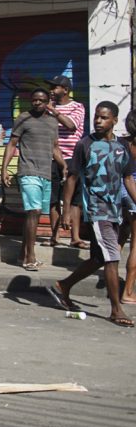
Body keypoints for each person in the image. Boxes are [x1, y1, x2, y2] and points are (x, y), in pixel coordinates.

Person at [49, 102, 136, 328]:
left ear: (114, 120)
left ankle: (64, 286)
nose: (98, 121)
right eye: (96, 117)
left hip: (115, 210)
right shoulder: (85, 144)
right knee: (112, 257)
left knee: (99, 258)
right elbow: (72, 178)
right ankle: (116, 310)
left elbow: (127, 179)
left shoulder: (122, 147)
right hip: (96, 210)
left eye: (104, 118)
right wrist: (67, 210)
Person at [0, 88, 66, 271]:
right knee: (34, 211)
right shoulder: (23, 118)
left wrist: (64, 165)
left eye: (41, 100)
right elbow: (12, 143)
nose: (37, 103)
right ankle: (30, 257)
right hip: (27, 171)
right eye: (34, 100)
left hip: (46, 173)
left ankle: (22, 253)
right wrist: (4, 168)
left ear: (48, 102)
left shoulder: (52, 122)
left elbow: (54, 147)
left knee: (34, 215)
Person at [45, 75, 86, 248]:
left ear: (66, 90)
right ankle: (55, 236)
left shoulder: (77, 107)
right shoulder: (48, 108)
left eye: (55, 87)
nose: (52, 91)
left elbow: (71, 126)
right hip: (52, 158)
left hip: (72, 158)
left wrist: (54, 111)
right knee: (53, 199)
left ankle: (75, 237)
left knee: (75, 201)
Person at [121, 110, 136, 306]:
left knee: (122, 235)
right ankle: (128, 291)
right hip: (132, 189)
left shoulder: (122, 142)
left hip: (120, 190)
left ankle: (110, 276)